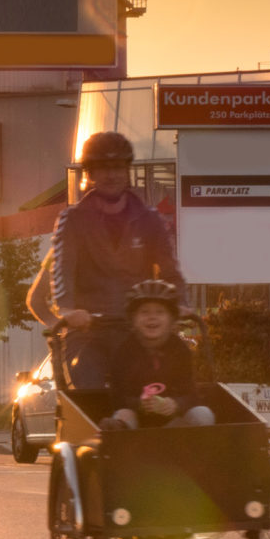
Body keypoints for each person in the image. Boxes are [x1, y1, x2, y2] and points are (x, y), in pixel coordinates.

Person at [50, 130, 185, 391]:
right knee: (90, 391)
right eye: (102, 168)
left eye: (117, 167)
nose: (111, 175)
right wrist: (67, 310)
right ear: (90, 175)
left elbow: (170, 270)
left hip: (138, 330)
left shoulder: (150, 219)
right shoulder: (73, 220)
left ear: (127, 172)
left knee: (154, 390)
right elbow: (62, 271)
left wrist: (181, 304)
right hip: (89, 331)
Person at [98, 279, 214, 432]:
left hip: (175, 422)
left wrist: (176, 404)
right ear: (134, 319)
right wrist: (140, 404)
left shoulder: (179, 349)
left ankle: (197, 451)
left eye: (160, 312)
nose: (152, 317)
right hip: (137, 422)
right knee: (123, 414)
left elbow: (192, 394)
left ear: (171, 319)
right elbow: (117, 397)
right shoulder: (124, 351)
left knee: (203, 413)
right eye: (144, 312)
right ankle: (119, 440)